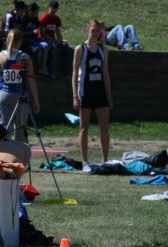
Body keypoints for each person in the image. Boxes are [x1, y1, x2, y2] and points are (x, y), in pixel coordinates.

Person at [72, 19, 111, 172]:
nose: (95, 34)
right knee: (84, 127)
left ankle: (106, 160)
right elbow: (75, 73)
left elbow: (105, 73)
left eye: (98, 31)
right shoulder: (80, 49)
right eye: (93, 30)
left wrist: (109, 95)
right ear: (87, 30)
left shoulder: (103, 49)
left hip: (100, 91)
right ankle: (85, 161)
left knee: (104, 126)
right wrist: (75, 95)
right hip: (85, 91)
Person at [0, 28, 39, 143]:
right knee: (21, 129)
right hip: (19, 96)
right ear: (20, 41)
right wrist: (36, 100)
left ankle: (3, 157)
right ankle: (20, 157)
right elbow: (31, 79)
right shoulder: (25, 58)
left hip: (2, 95)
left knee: (2, 129)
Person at [38, 0, 66, 78]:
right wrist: (54, 40)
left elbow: (57, 31)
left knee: (66, 48)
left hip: (52, 40)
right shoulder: (44, 18)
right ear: (49, 8)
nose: (54, 10)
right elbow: (43, 34)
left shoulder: (56, 19)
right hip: (43, 39)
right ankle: (52, 72)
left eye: (55, 9)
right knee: (53, 48)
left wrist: (61, 40)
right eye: (52, 8)